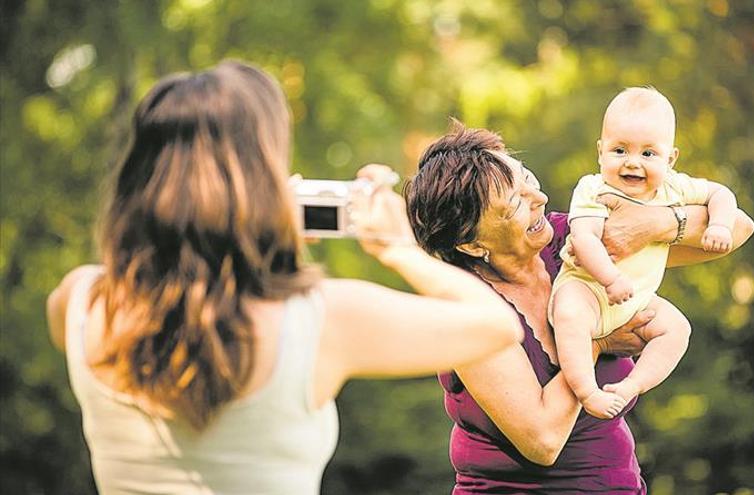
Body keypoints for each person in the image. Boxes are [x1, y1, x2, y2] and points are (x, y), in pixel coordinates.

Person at [46, 60, 523, 495]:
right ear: (261, 182)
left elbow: (192, 302)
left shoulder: (79, 301)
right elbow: (498, 325)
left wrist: (260, 249)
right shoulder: (321, 321)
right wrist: (398, 249)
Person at [404, 121, 754, 493]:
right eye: (515, 204)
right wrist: (598, 342)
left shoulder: (572, 244)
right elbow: (542, 440)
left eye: (526, 179)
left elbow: (739, 227)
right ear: (472, 244)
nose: (537, 198)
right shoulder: (466, 306)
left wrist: (657, 223)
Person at [550, 86, 744, 419]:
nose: (632, 163)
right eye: (620, 150)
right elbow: (584, 239)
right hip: (589, 289)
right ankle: (587, 391)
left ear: (670, 159)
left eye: (648, 154)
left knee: (677, 328)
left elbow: (721, 194)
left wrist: (720, 226)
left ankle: (632, 385)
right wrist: (609, 279)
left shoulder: (674, 187)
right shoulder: (594, 189)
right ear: (601, 152)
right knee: (569, 313)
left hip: (636, 301)